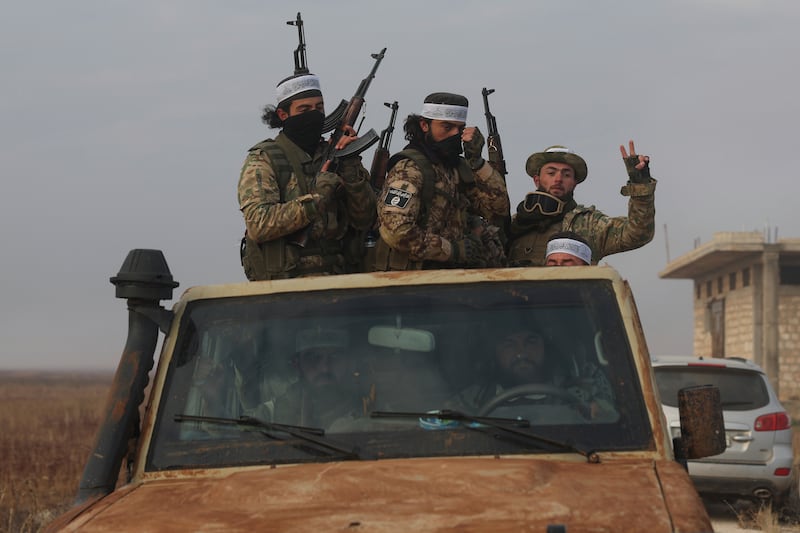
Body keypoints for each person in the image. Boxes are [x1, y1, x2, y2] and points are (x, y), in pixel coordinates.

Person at [238, 71, 377, 280]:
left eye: (319, 108)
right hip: (289, 285)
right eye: (304, 109)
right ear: (284, 115)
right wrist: (317, 199)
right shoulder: (265, 159)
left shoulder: (336, 155)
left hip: (339, 278)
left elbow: (365, 218)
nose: (314, 114)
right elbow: (259, 223)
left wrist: (350, 163)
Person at [373, 92, 510, 271]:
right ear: (424, 125)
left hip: (450, 277)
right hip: (411, 280)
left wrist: (477, 162)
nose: (454, 134)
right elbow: (396, 230)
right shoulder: (409, 170)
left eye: (460, 129)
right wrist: (451, 250)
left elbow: (498, 209)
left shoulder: (456, 168)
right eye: (447, 127)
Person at [507, 141, 656, 266]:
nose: (558, 179)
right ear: (537, 180)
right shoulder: (514, 225)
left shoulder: (588, 224)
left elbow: (638, 234)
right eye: (551, 173)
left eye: (566, 174)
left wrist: (640, 184)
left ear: (574, 182)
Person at [449, 322, 616, 421]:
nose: (521, 353)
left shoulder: (584, 388)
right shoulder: (473, 399)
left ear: (545, 347)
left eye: (531, 342)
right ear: (496, 353)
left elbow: (611, 423)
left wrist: (596, 413)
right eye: (509, 345)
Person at [271, 327, 365, 429]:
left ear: (348, 362)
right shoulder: (268, 415)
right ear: (297, 364)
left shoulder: (367, 407)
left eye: (335, 357)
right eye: (313, 358)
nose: (325, 368)